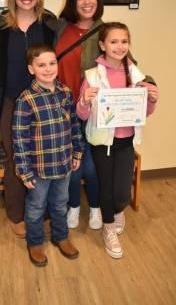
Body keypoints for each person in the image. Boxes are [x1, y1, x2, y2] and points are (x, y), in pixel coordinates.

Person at [76, 22, 158, 259]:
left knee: (123, 192)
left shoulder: (136, 75)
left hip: (126, 141)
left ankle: (117, 210)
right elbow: (81, 114)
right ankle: (108, 227)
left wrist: (151, 99)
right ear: (102, 45)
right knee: (106, 187)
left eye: (124, 41)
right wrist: (84, 101)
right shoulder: (92, 76)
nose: (119, 46)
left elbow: (145, 112)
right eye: (113, 41)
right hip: (102, 142)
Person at [0, 0, 60, 237]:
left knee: (41, 157)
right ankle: (16, 213)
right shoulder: (0, 25)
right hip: (11, 102)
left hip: (43, 102)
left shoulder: (50, 24)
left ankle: (43, 211)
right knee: (16, 157)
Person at [12, 45, 85, 266]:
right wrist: (24, 171)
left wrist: (78, 151)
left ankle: (60, 237)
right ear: (31, 69)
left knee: (60, 203)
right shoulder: (25, 100)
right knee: (35, 207)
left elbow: (74, 124)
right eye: (41, 65)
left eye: (52, 63)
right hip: (39, 169)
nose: (48, 69)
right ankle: (34, 242)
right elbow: (19, 139)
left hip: (63, 164)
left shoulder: (65, 92)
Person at [55, 0, 104, 230]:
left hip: (93, 111)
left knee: (91, 166)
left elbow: (129, 65)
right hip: (63, 110)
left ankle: (94, 207)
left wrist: (147, 83)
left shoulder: (106, 31)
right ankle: (74, 205)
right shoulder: (59, 28)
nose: (86, 2)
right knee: (71, 165)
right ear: (72, 1)